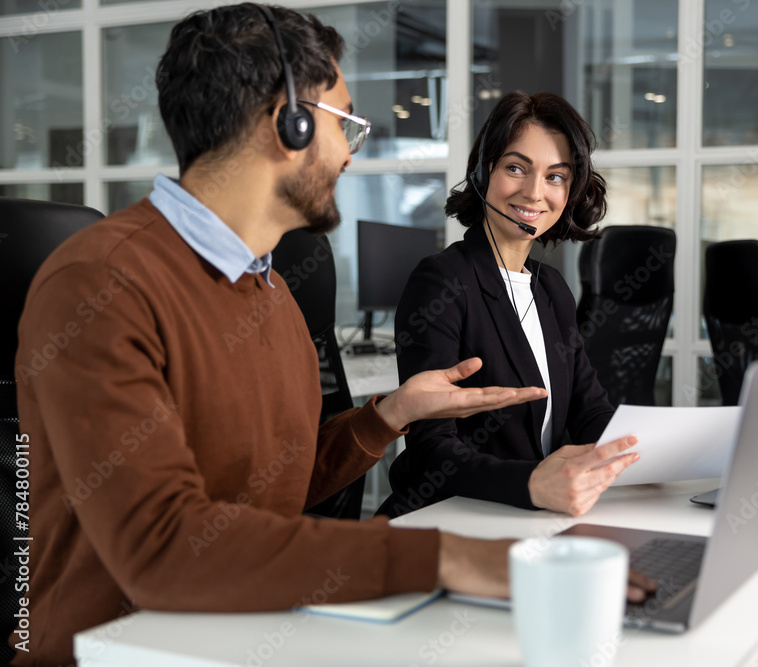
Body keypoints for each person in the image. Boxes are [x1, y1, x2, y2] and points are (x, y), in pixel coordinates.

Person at [10, 6, 559, 664]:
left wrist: (389, 415)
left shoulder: (268, 288)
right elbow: (161, 545)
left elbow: (267, 490)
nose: (351, 154)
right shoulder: (102, 282)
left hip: (242, 633)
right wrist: (445, 556)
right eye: (346, 124)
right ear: (288, 122)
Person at [378, 91, 639, 519]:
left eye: (556, 176)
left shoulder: (550, 288)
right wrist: (533, 483)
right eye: (516, 168)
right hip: (451, 516)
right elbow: (431, 448)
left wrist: (640, 453)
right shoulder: (442, 280)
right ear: (483, 173)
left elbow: (589, 409)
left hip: (529, 516)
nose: (535, 193)